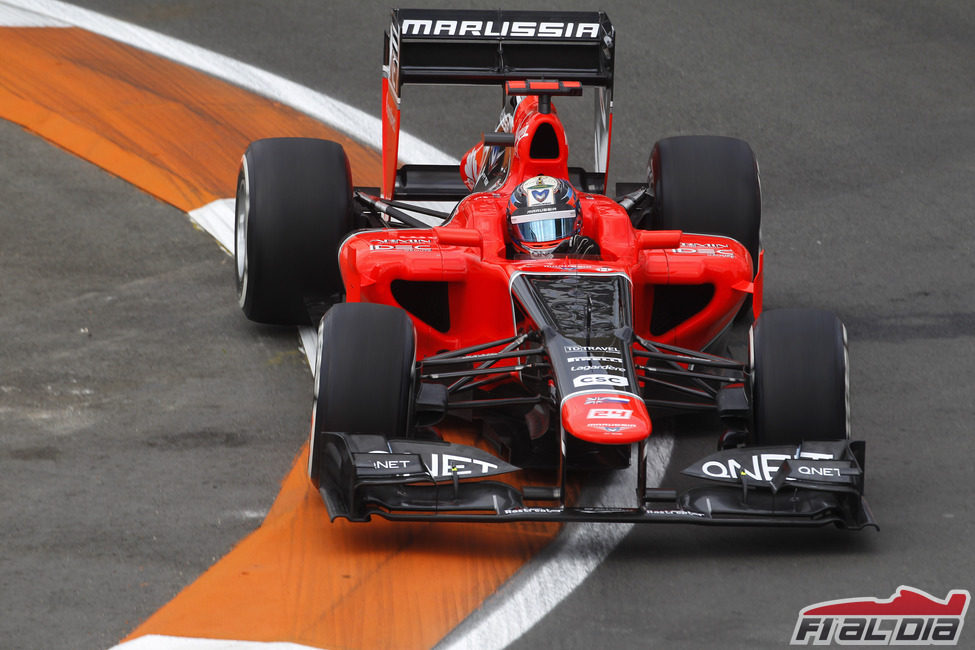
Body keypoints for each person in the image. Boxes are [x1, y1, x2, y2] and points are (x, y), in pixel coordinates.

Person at [506, 175, 599, 257]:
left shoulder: (583, 250)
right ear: (511, 228)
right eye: (530, 228)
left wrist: (590, 260)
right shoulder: (502, 258)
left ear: (577, 221)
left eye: (551, 227)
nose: (544, 246)